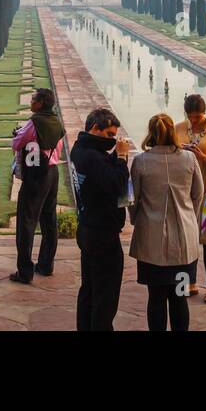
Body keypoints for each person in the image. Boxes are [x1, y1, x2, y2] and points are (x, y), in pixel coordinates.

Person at [128, 113, 202, 331]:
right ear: (173, 132)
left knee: (156, 298)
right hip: (183, 241)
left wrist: (136, 219)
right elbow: (198, 194)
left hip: (152, 241)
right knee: (179, 297)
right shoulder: (189, 158)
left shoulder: (142, 161)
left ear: (151, 132)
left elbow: (134, 199)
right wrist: (190, 218)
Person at [69, 106, 130, 331]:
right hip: (102, 234)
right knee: (105, 297)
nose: (111, 140)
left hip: (87, 228)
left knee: (90, 290)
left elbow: (100, 174)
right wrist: (122, 158)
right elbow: (115, 184)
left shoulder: (80, 148)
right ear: (95, 128)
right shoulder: (93, 157)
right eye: (109, 135)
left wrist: (114, 157)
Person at [174, 93, 206, 303]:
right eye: (191, 117)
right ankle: (190, 282)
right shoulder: (178, 128)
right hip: (183, 192)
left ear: (204, 113)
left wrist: (203, 157)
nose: (194, 121)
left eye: (198, 117)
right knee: (186, 240)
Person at [10, 87, 65, 284]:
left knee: (26, 223)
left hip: (35, 176)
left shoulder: (34, 123)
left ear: (41, 103)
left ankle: (24, 272)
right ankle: (45, 265)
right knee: (49, 221)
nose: (31, 102)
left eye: (33, 99)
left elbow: (16, 143)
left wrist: (18, 134)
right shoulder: (56, 121)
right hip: (52, 173)